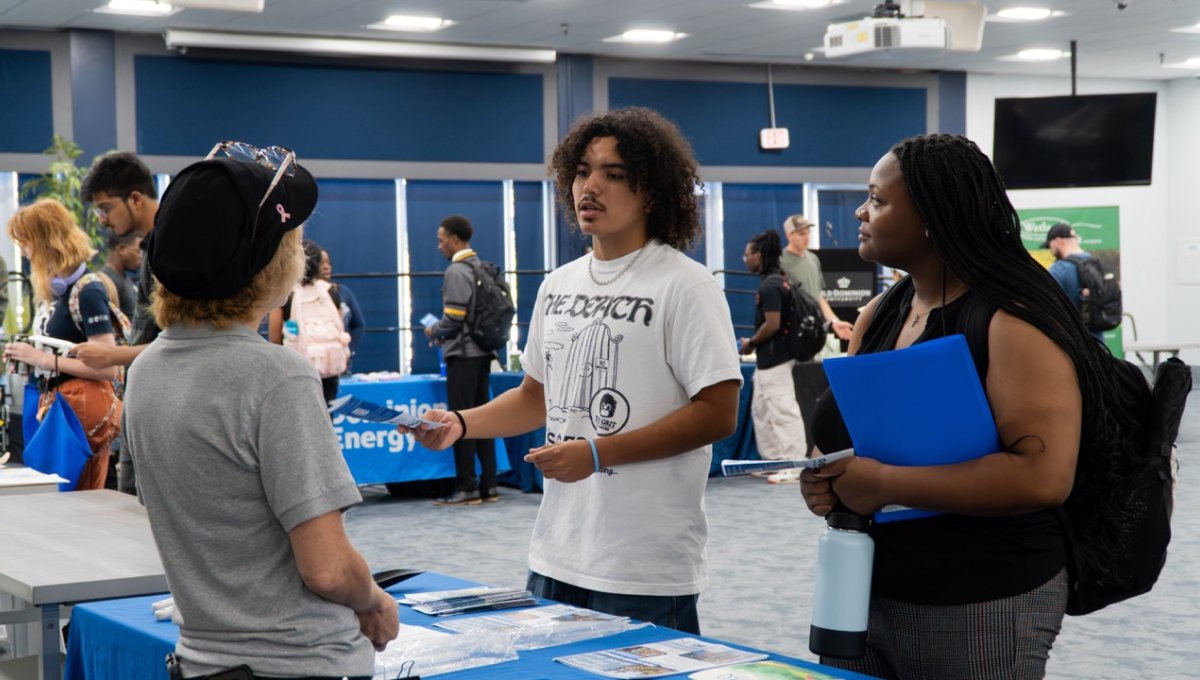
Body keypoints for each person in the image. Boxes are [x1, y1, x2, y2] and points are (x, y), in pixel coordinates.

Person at [800, 133, 1141, 678]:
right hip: (864, 586)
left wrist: (883, 483)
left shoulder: (1013, 318)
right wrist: (823, 475)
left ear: (934, 217)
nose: (862, 211)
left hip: (981, 598)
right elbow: (846, 435)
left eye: (879, 200)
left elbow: (1042, 477)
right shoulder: (881, 314)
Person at [402, 107, 742, 633]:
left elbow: (718, 415)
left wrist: (599, 452)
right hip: (557, 551)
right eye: (583, 171)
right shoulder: (559, 284)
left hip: (644, 567)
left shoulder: (685, 285)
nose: (591, 186)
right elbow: (535, 396)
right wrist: (462, 423)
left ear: (650, 192)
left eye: (614, 174)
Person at [122, 153, 398, 678]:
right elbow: (327, 569)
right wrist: (375, 603)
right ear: (270, 262)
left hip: (203, 660)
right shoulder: (277, 378)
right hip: (300, 662)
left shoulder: (147, 371)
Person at [3, 199, 122, 490]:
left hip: (79, 411)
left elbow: (109, 366)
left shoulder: (88, 291)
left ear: (45, 242)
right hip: (63, 407)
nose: (23, 251)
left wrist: (43, 360)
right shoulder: (60, 291)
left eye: (26, 243)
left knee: (74, 498)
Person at [72, 151, 160, 494]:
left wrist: (111, 357)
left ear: (135, 198)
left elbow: (185, 342)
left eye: (106, 208)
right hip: (143, 398)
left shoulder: (173, 248)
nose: (103, 220)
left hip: (162, 404)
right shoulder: (154, 248)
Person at [424, 214, 498, 506]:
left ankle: (467, 487)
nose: (439, 245)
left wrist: (434, 330)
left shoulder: (456, 271)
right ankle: (488, 487)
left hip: (463, 355)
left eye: (441, 240)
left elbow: (454, 318)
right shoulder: (483, 267)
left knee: (461, 420)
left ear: (454, 240)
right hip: (483, 354)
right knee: (485, 421)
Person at [739, 230, 807, 484]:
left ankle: (794, 465)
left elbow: (773, 324)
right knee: (763, 410)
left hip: (776, 360)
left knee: (782, 411)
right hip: (769, 361)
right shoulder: (776, 280)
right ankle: (774, 461)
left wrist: (751, 343)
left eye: (747, 256)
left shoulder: (771, 285)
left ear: (758, 255)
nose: (745, 260)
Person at [268, 239, 351, 404]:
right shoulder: (330, 290)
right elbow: (340, 325)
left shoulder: (285, 293)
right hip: (330, 367)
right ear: (318, 264)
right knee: (328, 416)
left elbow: (274, 338)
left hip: (296, 368)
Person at [780, 215, 853, 342]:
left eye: (808, 233)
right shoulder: (781, 261)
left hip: (815, 330)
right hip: (794, 332)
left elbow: (818, 296)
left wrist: (834, 322)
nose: (806, 237)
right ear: (788, 235)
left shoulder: (813, 259)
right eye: (801, 234)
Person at [1042, 222, 1105, 341]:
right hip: (1099, 342)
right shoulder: (1096, 264)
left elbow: (1047, 309)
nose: (1050, 251)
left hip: (1073, 345)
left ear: (1058, 241)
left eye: (1050, 246)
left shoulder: (1058, 270)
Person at [319, 248, 366, 367]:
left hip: (340, 361)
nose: (326, 267)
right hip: (314, 360)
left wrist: (350, 351)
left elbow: (359, 325)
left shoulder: (343, 292)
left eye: (328, 262)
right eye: (321, 263)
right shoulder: (299, 296)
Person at [99, 230, 142, 320]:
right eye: (138, 251)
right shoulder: (108, 280)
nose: (140, 257)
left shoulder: (124, 277)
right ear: (122, 249)